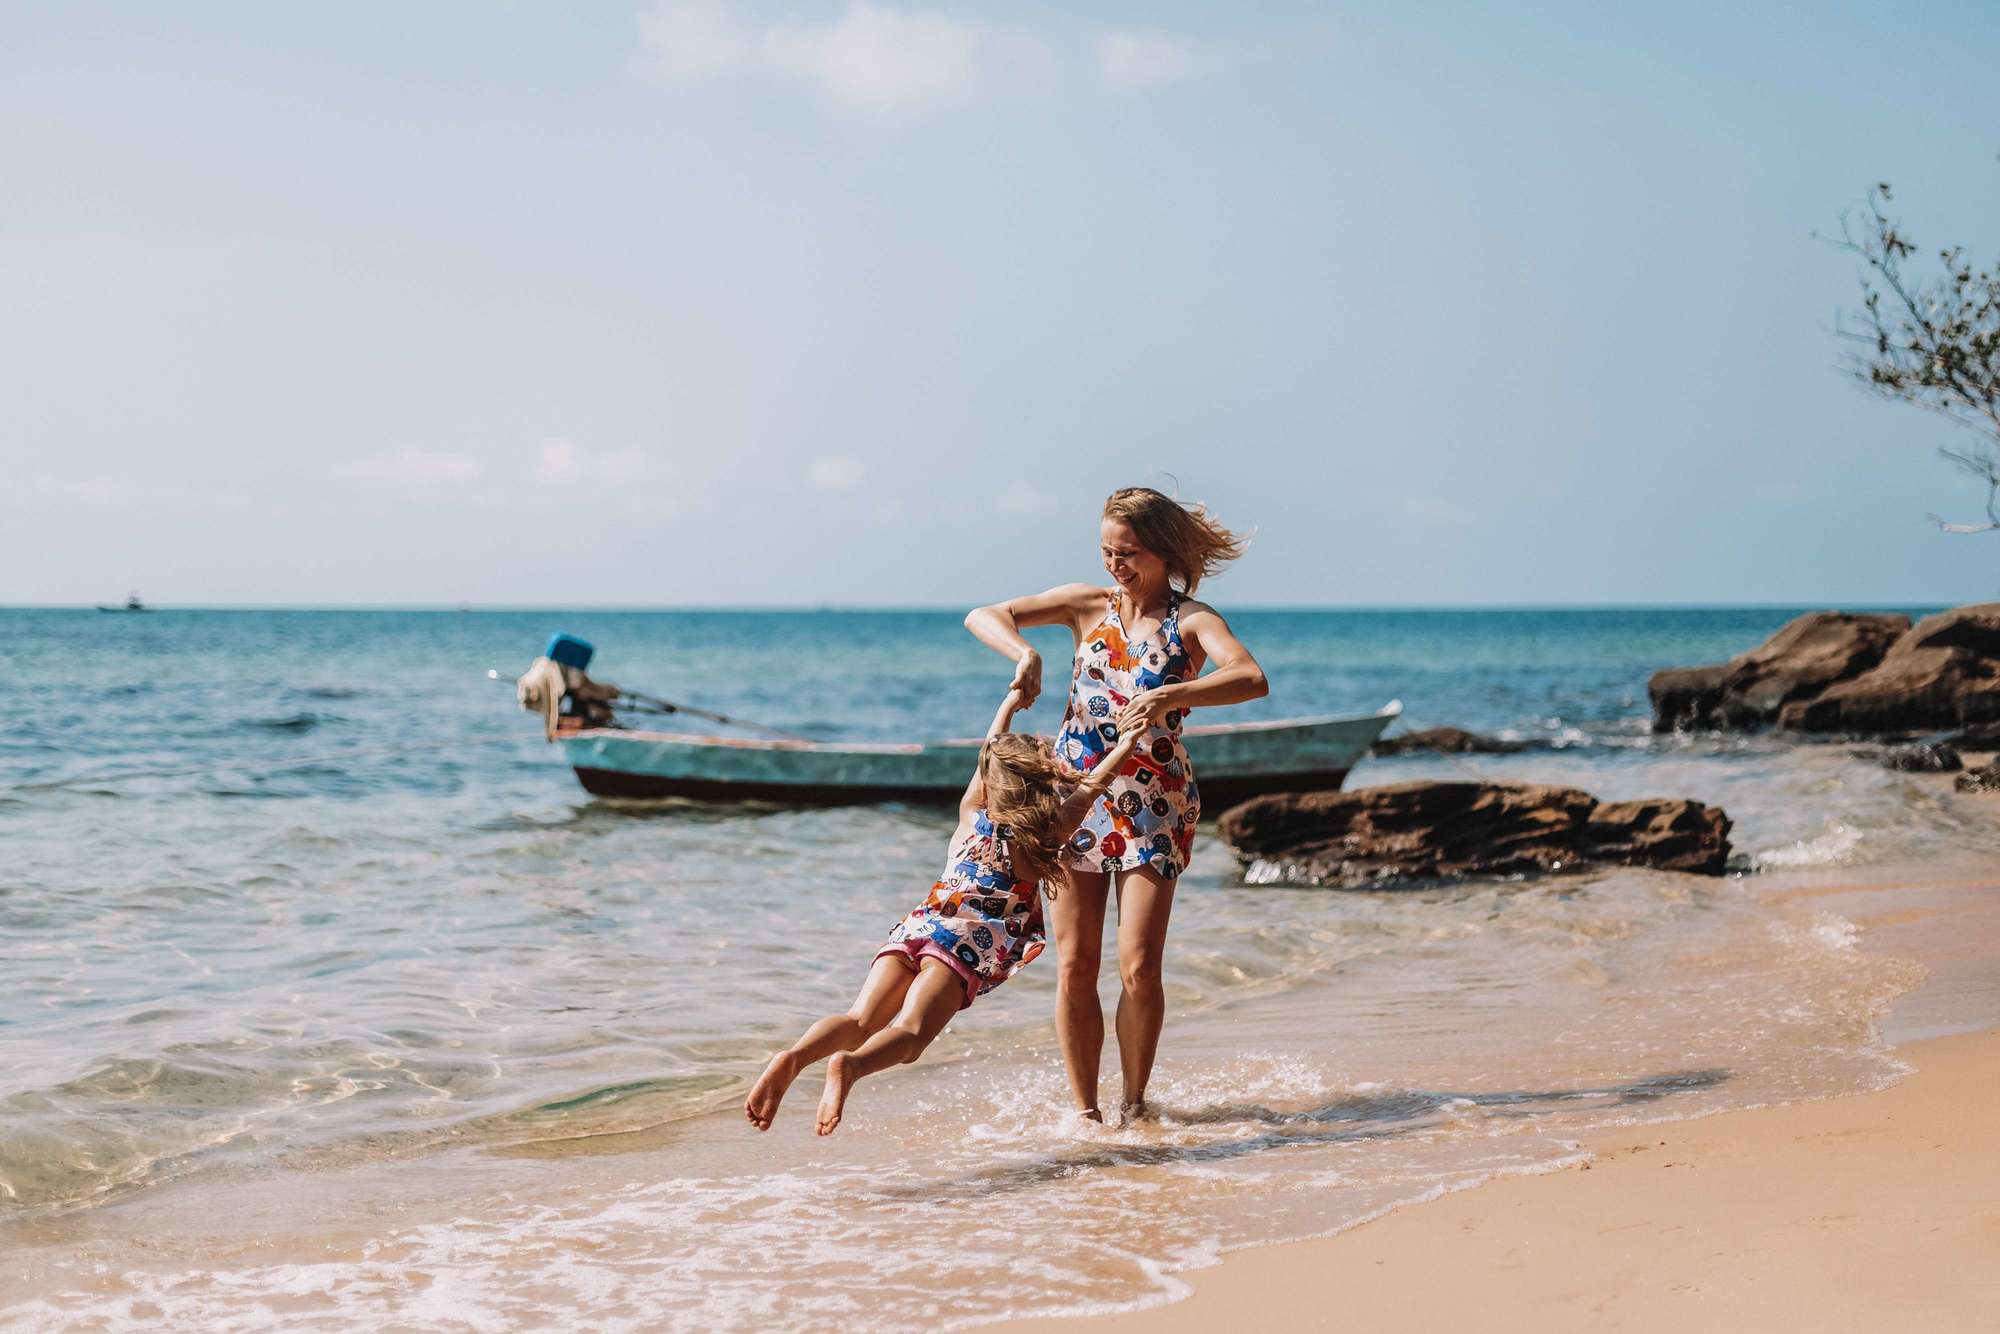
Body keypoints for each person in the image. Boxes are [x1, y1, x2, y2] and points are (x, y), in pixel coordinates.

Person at [964, 487, 1268, 1123]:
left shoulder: (1191, 621)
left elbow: (1250, 676)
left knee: (1138, 964)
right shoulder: (1087, 605)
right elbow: (983, 614)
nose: (1115, 564)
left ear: (1163, 552)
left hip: (1155, 804)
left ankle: (1133, 1106)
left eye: (1127, 552)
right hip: (1074, 798)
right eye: (1107, 550)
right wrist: (1025, 653)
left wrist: (1173, 694)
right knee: (1074, 964)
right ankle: (1086, 1115)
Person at [743, 687, 1144, 1136]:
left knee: (859, 1019)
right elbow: (1091, 788)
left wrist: (1009, 707)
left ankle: (794, 1057)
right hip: (962, 945)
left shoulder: (971, 813)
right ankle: (850, 1069)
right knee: (912, 1035)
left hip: (918, 926)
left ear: (991, 782)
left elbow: (987, 753)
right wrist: (1125, 745)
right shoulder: (1041, 837)